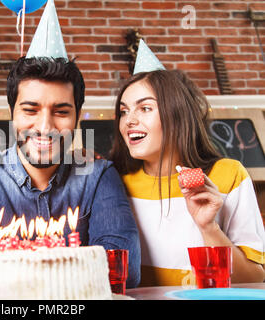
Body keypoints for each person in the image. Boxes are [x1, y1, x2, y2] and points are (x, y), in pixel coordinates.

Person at [0, 56, 141, 298]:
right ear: (12, 112)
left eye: (61, 112)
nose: (44, 126)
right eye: (30, 110)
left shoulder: (98, 176)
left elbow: (122, 271)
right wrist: (66, 261)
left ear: (77, 116)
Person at [111, 68, 265, 286]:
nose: (128, 121)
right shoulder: (115, 182)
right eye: (124, 111)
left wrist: (208, 227)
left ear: (178, 114)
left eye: (145, 108)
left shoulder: (227, 175)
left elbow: (254, 279)